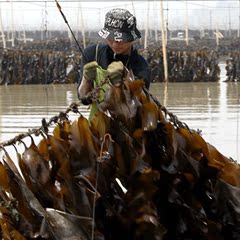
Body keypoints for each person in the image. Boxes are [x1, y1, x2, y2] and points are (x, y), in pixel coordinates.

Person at [77, 8, 151, 114]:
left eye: (121, 40)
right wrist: (86, 79)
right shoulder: (92, 54)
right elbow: (84, 99)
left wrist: (124, 80)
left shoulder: (141, 66)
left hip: (127, 124)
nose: (116, 44)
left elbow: (138, 104)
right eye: (111, 39)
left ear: (132, 38)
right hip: (98, 122)